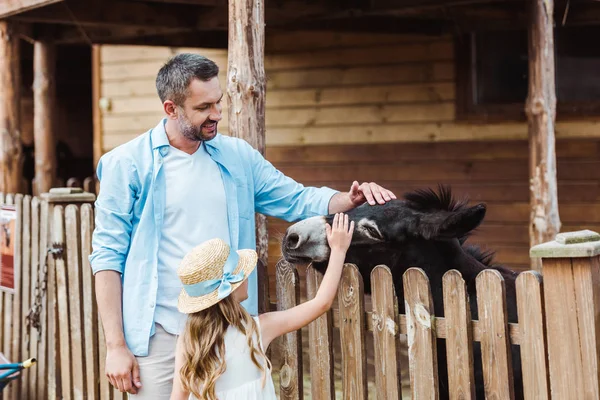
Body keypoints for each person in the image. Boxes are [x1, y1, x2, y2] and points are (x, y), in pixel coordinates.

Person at [89, 53, 395, 399]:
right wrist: (116, 345)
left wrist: (347, 198)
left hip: (229, 330)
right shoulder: (126, 165)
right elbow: (108, 257)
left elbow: (294, 197)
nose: (217, 115)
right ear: (171, 109)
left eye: (218, 102)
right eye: (204, 107)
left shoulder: (237, 156)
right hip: (158, 334)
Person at [170, 213, 354, 400]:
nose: (247, 276)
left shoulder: (189, 340)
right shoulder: (257, 330)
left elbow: (178, 397)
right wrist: (338, 250)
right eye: (242, 273)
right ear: (231, 288)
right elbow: (321, 303)